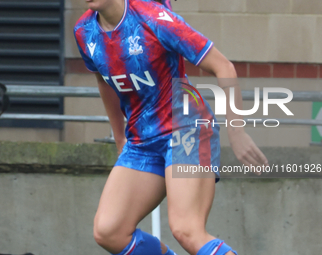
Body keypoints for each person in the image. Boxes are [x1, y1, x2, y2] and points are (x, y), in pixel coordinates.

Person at [74, 0, 268, 254]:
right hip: (142, 142)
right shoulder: (83, 31)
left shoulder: (154, 18)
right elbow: (104, 80)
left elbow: (224, 67)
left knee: (186, 230)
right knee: (109, 230)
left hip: (187, 130)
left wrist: (237, 130)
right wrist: (120, 136)